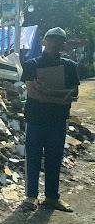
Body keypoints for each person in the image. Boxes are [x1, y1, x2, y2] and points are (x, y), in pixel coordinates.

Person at [21, 27, 79, 212]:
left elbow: (75, 93)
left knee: (55, 159)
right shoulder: (32, 64)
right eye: (51, 40)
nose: (54, 43)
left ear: (64, 45)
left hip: (58, 121)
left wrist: (47, 92)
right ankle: (31, 197)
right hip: (36, 119)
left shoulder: (69, 66)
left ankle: (52, 197)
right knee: (33, 159)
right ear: (44, 41)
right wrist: (61, 98)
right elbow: (32, 92)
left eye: (59, 41)